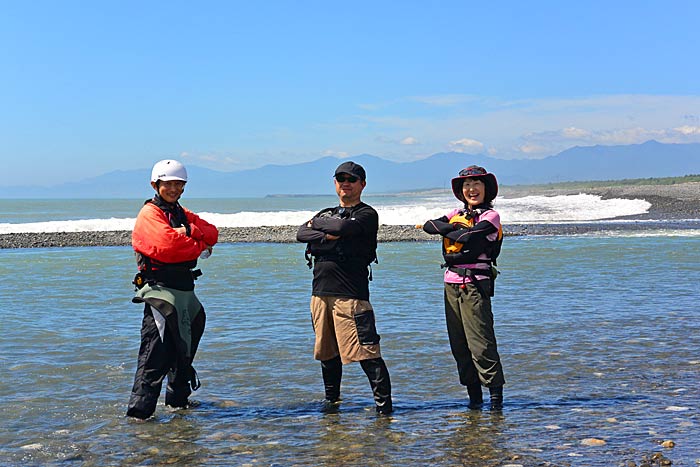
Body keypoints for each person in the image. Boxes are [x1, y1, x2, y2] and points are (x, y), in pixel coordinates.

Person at [296, 161, 393, 415]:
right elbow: (300, 233)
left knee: (367, 353)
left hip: (351, 295)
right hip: (320, 294)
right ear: (335, 183)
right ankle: (332, 405)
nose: (345, 183)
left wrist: (321, 229)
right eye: (341, 178)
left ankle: (384, 411)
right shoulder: (327, 211)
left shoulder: (367, 214)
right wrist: (327, 236)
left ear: (362, 184)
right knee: (326, 354)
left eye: (351, 179)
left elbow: (340, 227)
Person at [126, 159, 219, 419]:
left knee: (184, 350)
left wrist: (189, 230)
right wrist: (197, 244)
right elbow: (168, 247)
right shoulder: (150, 213)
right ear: (156, 185)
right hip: (160, 293)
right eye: (169, 184)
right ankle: (139, 416)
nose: (174, 188)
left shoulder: (180, 212)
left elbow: (213, 233)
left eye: (179, 184)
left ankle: (178, 407)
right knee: (154, 357)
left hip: (186, 292)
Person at [422, 165, 505, 410]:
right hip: (451, 284)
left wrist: (453, 230)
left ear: (486, 188)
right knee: (460, 346)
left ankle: (496, 403)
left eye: (477, 184)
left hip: (475, 287)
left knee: (481, 345)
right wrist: (457, 228)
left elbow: (470, 238)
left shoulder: (491, 217)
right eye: (467, 185)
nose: (471, 189)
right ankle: (474, 403)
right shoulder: (456, 213)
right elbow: (429, 226)